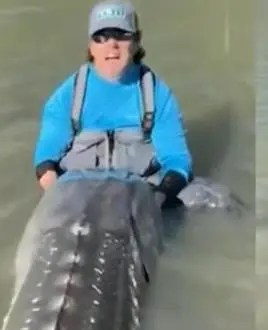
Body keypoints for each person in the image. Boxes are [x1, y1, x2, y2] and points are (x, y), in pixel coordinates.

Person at [32, 0, 193, 203]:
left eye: (122, 35)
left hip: (141, 195)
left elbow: (177, 161)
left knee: (209, 196)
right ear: (91, 46)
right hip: (79, 197)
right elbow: (45, 160)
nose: (112, 45)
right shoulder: (66, 97)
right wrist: (60, 199)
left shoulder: (158, 95)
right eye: (102, 37)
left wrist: (156, 201)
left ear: (136, 42)